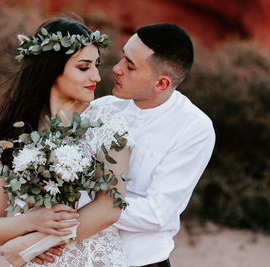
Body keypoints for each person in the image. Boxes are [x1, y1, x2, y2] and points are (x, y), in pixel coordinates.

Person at [0, 18, 133, 267]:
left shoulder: (106, 121)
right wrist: (32, 222)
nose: (97, 77)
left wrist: (32, 245)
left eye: (96, 66)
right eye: (83, 67)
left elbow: (109, 208)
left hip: (93, 260)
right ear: (51, 70)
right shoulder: (14, 134)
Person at [90, 22, 216, 266]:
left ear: (161, 84)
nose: (116, 69)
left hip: (140, 261)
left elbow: (156, 213)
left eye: (130, 65)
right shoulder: (101, 108)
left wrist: (87, 205)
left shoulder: (194, 128)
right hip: (84, 255)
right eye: (122, 57)